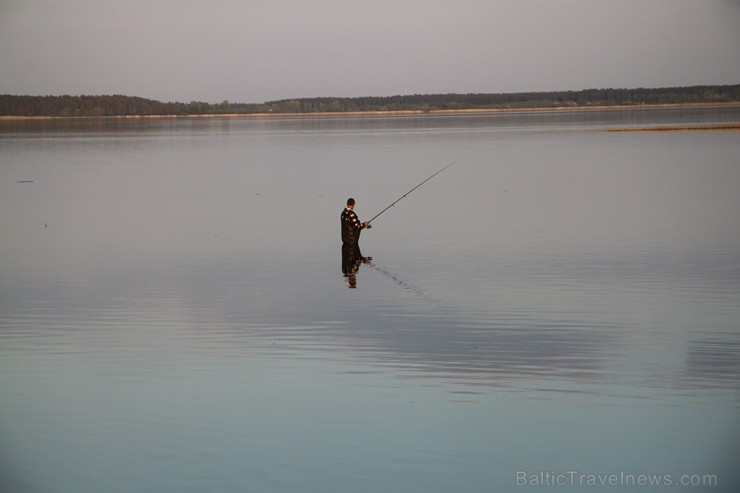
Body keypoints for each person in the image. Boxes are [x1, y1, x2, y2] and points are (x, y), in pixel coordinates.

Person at [341, 198, 371, 286]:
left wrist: (363, 260)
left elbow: (352, 225)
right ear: (354, 205)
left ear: (347, 203)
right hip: (352, 240)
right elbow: (356, 227)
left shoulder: (343, 213)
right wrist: (364, 225)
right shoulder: (351, 214)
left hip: (345, 239)